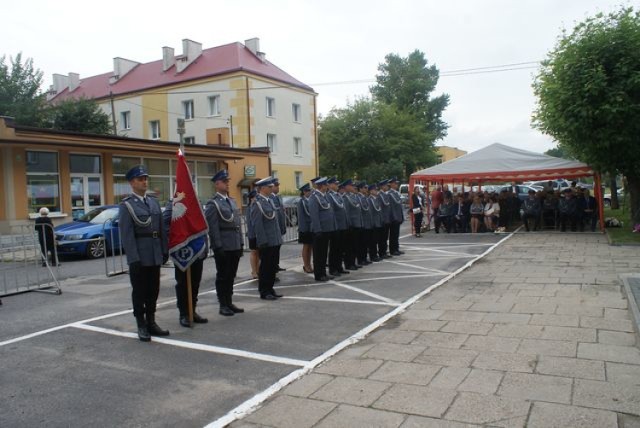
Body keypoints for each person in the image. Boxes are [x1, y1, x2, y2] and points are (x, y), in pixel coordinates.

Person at [119, 165, 169, 342]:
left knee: (153, 290)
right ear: (132, 183)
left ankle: (152, 322)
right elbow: (126, 234)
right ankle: (141, 324)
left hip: (154, 253)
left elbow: (161, 228)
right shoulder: (127, 205)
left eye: (145, 178)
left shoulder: (153, 202)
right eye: (140, 179)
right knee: (139, 292)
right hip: (140, 255)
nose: (144, 182)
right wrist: (133, 258)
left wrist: (164, 250)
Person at [205, 170, 245, 317]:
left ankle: (229, 301)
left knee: (231, 275)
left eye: (228, 181)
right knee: (223, 275)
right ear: (217, 184)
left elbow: (237, 224)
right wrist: (217, 246)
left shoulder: (232, 201)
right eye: (224, 181)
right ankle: (223, 304)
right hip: (223, 245)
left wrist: (241, 243)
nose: (228, 183)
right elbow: (213, 228)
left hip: (234, 244)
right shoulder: (213, 203)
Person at [163, 199, 208, 327]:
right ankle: (183, 314)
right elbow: (165, 223)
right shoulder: (173, 203)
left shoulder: (196, 202)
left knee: (195, 283)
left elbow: (203, 225)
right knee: (182, 284)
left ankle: (192, 310)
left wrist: (205, 246)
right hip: (183, 250)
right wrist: (177, 239)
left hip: (197, 249)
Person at [251, 177, 283, 300]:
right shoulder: (257, 203)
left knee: (272, 267)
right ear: (263, 188)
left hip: (274, 239)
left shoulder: (269, 201)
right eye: (269, 187)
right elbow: (257, 225)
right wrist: (263, 241)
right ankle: (264, 291)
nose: (272, 188)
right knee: (265, 267)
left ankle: (270, 288)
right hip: (267, 242)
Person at [309, 177, 336, 281]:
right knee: (318, 254)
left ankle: (323, 272)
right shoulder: (314, 197)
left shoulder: (324, 196)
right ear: (322, 186)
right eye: (326, 185)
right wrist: (318, 229)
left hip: (326, 229)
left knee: (324, 253)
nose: (327, 187)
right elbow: (314, 215)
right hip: (319, 230)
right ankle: (319, 274)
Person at [327, 177, 350, 276]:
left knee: (341, 248)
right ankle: (333, 268)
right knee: (334, 249)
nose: (337, 186)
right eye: (335, 184)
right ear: (330, 185)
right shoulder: (329, 196)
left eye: (337, 184)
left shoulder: (337, 195)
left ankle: (339, 267)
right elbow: (331, 212)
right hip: (336, 226)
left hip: (342, 225)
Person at [269, 179, 287, 274]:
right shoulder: (271, 198)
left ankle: (276, 265)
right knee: (274, 249)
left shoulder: (277, 197)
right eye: (276, 186)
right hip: (276, 227)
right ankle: (274, 266)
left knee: (278, 248)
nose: (278, 187)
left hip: (280, 225)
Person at [296, 184, 313, 273]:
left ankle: (308, 264)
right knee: (306, 246)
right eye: (308, 191)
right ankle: (306, 265)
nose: (310, 192)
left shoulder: (308, 200)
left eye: (310, 190)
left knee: (310, 247)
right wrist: (303, 228)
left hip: (310, 227)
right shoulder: (301, 201)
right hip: (305, 227)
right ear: (304, 192)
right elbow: (304, 216)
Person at [387, 177, 405, 255]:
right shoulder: (390, 194)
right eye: (395, 183)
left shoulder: (396, 193)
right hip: (394, 217)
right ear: (391, 184)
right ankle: (393, 250)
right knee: (393, 234)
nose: (396, 184)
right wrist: (394, 217)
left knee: (396, 234)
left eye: (397, 183)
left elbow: (399, 206)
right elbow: (391, 208)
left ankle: (396, 248)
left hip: (398, 216)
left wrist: (401, 216)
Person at [356, 182, 373, 265]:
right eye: (365, 188)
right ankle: (361, 259)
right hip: (363, 223)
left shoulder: (364, 197)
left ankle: (364, 258)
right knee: (361, 243)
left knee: (365, 242)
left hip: (367, 223)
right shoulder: (359, 197)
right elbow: (362, 210)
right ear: (361, 189)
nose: (366, 189)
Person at [245, 190, 259, 279]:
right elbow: (251, 223)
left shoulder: (256, 206)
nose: (257, 199)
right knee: (254, 252)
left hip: (259, 234)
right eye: (255, 197)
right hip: (253, 233)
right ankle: (254, 271)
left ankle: (258, 270)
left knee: (259, 252)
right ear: (251, 198)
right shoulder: (250, 208)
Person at [377, 179, 393, 259]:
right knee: (382, 238)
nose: (387, 187)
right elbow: (380, 208)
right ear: (382, 186)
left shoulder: (385, 195)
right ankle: (381, 252)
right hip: (383, 219)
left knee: (385, 237)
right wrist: (382, 219)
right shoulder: (379, 195)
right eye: (386, 185)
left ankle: (384, 251)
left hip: (387, 219)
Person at [368, 184, 384, 260]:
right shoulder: (370, 200)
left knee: (376, 239)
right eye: (375, 190)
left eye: (376, 190)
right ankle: (373, 255)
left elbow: (379, 211)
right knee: (373, 241)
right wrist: (372, 222)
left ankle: (375, 254)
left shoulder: (376, 199)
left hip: (378, 222)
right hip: (374, 223)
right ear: (371, 191)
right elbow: (371, 213)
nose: (376, 191)